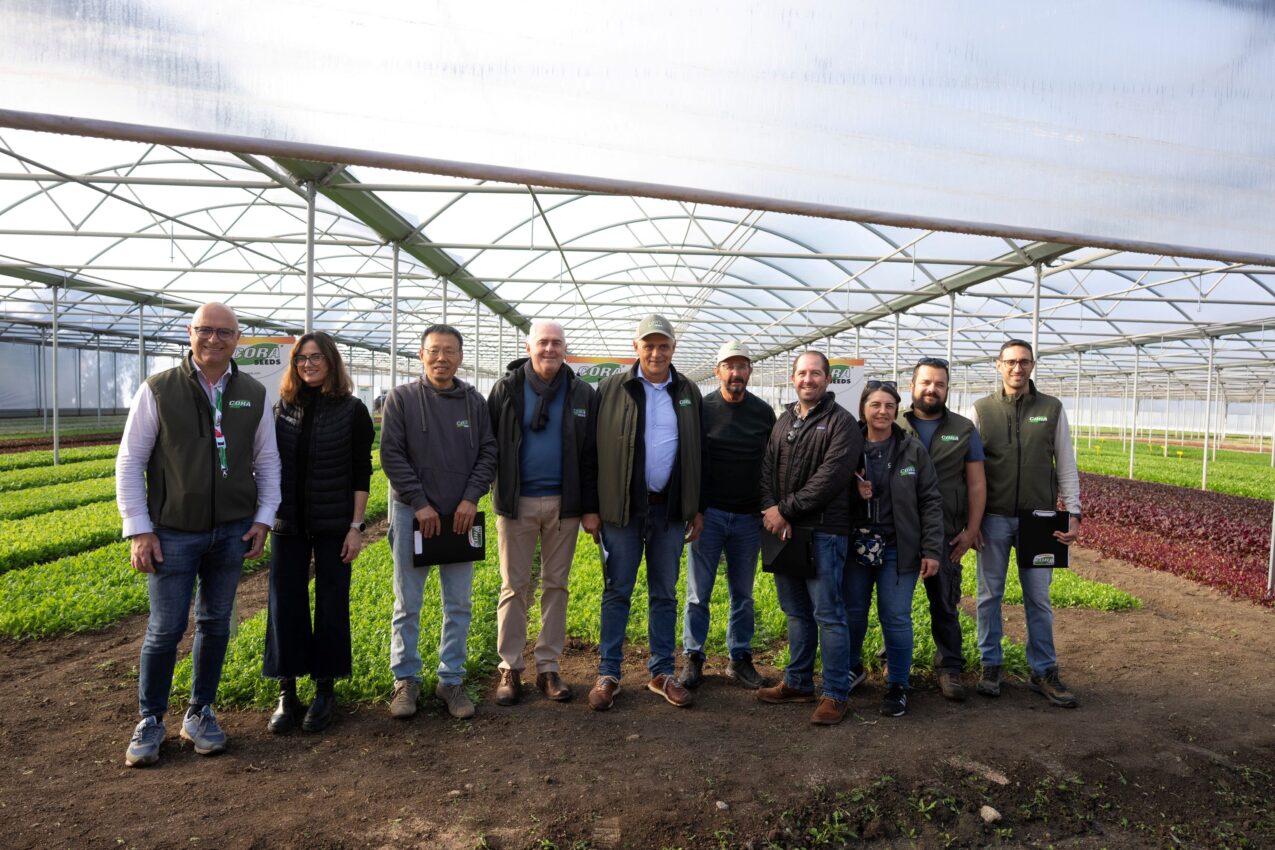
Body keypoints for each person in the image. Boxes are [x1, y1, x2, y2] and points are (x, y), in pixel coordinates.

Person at [116, 302, 281, 767]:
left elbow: (267, 460)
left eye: (224, 332)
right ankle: (151, 720)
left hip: (231, 530)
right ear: (189, 333)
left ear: (238, 338)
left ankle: (199, 711)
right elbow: (130, 461)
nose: (214, 339)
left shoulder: (252, 392)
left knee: (215, 623)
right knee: (166, 628)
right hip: (172, 532)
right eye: (205, 330)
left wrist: (264, 517)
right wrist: (139, 529)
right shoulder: (160, 389)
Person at [380, 325, 497, 720]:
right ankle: (406, 680)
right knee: (407, 603)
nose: (441, 358)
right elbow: (391, 455)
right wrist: (420, 503)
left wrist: (470, 498)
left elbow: (488, 452)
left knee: (459, 603)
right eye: (434, 351)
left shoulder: (474, 403)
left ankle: (451, 678)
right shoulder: (401, 400)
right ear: (421, 355)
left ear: (460, 357)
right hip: (412, 513)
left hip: (461, 516)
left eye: (449, 351)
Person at [587, 314, 703, 711]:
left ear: (673, 349)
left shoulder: (687, 391)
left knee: (664, 593)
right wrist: (591, 507)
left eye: (664, 345)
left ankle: (661, 672)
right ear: (635, 348)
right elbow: (590, 452)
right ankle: (609, 673)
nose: (656, 352)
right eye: (649, 345)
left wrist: (695, 507)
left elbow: (696, 455)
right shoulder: (610, 388)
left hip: (668, 510)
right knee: (616, 590)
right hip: (622, 510)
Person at [263, 332, 374, 734]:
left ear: (331, 361)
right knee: (284, 602)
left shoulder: (352, 410)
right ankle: (286, 690)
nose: (308, 365)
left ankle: (325, 689)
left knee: (331, 603)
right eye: (301, 359)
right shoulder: (283, 409)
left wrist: (355, 527)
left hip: (333, 525)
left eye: (316, 358)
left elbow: (361, 472)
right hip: (288, 524)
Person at [487, 320, 600, 705]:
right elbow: (489, 444)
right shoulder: (506, 389)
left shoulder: (582, 393)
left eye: (556, 343)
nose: (549, 349)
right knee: (513, 586)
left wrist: (589, 507)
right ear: (529, 346)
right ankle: (510, 667)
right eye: (543, 343)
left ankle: (548, 666)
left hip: (563, 504)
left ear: (565, 348)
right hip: (515, 503)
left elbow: (591, 455)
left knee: (556, 585)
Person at [972, 339, 1081, 708]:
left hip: (1040, 520)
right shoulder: (981, 410)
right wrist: (971, 522)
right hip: (994, 519)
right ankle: (990, 665)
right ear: (998, 365)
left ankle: (1043, 670)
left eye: (1024, 362)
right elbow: (968, 470)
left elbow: (1065, 462)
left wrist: (1074, 512)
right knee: (989, 596)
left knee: (1039, 598)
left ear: (1033, 365)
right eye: (1010, 362)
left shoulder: (1050, 408)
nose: (1017, 368)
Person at [756, 351, 861, 725]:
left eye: (815, 373)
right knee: (796, 612)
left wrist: (785, 510)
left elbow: (831, 478)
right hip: (783, 531)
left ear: (828, 379)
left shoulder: (842, 424)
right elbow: (767, 466)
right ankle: (798, 682)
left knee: (828, 614)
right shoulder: (784, 420)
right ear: (792, 377)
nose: (808, 379)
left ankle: (835, 693)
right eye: (802, 373)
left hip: (823, 533)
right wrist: (771, 509)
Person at [679, 340, 776, 690]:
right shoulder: (702, 409)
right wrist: (696, 511)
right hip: (711, 516)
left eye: (742, 366)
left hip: (749, 517)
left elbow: (771, 465)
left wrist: (768, 506)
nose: (736, 373)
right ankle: (693, 656)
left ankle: (739, 658)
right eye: (729, 366)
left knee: (743, 594)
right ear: (718, 370)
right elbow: (692, 463)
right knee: (697, 593)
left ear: (750, 371)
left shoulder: (763, 412)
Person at [846, 380, 944, 717]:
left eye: (889, 405)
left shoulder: (911, 450)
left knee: (896, 616)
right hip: (855, 546)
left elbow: (930, 500)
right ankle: (851, 667)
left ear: (896, 409)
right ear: (864, 408)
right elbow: (827, 488)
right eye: (875, 405)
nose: (883, 411)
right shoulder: (847, 444)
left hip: (897, 549)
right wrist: (851, 491)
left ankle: (898, 683)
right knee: (853, 612)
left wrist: (931, 550)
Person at [898, 356, 987, 701]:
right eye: (926, 382)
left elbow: (977, 484)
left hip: (946, 533)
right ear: (913, 385)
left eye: (939, 384)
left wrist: (970, 531)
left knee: (945, 605)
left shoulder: (963, 430)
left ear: (948, 388)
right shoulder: (893, 423)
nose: (932, 389)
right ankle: (894, 658)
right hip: (900, 532)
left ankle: (949, 667)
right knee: (896, 604)